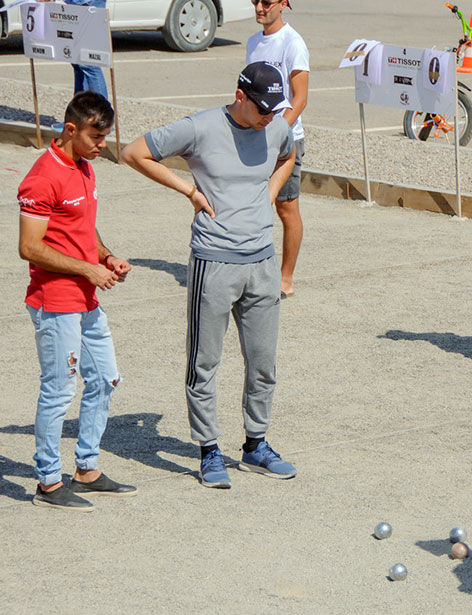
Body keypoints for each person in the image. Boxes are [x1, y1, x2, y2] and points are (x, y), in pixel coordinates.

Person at [121, 63, 297, 489]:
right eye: (263, 107)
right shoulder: (200, 128)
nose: (270, 115)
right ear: (240, 96)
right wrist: (189, 191)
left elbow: (289, 155)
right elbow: (133, 152)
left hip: (261, 262)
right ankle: (208, 450)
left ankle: (256, 445)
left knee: (263, 362)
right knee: (205, 362)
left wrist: (267, 196)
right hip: (214, 262)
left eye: (276, 108)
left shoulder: (275, 128)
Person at [18, 91, 135, 512]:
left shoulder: (84, 167)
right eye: (96, 136)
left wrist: (106, 257)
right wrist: (88, 270)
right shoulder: (41, 177)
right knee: (59, 389)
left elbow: (83, 229)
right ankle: (48, 481)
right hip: (54, 301)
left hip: (85, 299)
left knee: (105, 379)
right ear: (71, 130)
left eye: (106, 136)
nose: (103, 144)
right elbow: (29, 248)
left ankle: (86, 469)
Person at [246, 0, 309, 299]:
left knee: (286, 208)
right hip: (256, 135)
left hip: (285, 140)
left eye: (266, 2)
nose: (259, 7)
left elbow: (299, 98)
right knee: (253, 205)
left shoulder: (293, 43)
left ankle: (286, 279)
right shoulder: (253, 42)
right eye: (254, 1)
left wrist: (278, 132)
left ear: (283, 4)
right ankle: (251, 272)